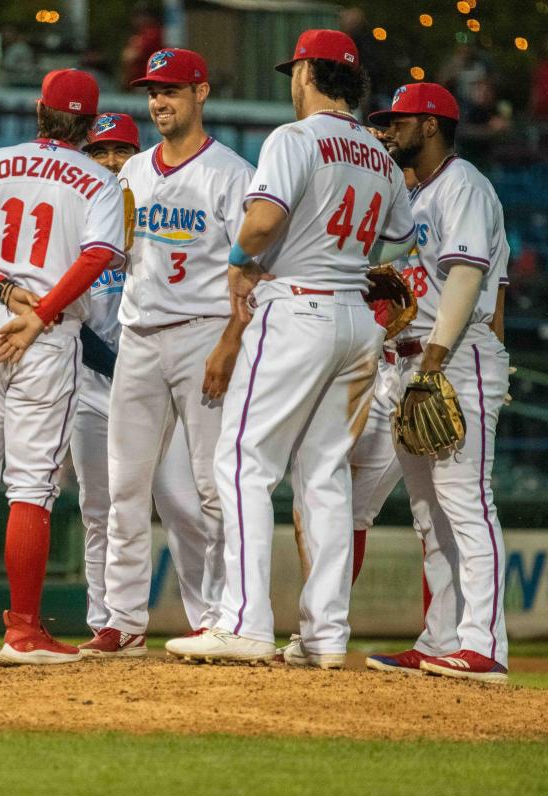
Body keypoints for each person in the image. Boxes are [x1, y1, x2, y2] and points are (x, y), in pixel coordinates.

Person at [166, 29, 414, 665]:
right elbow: (397, 235)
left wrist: (241, 256)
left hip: (296, 310)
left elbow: (264, 220)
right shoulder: (381, 156)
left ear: (308, 72)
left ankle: (245, 621)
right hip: (356, 320)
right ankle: (326, 635)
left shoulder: (294, 138)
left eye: (295, 70)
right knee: (325, 475)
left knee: (245, 461)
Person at [0, 69, 125, 666]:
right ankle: (23, 632)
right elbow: (96, 257)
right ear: (90, 126)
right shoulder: (99, 179)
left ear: (39, 112)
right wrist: (38, 310)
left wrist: (5, 290)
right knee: (32, 486)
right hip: (46, 333)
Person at [79, 49, 254, 657]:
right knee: (126, 486)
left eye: (172, 90)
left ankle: (223, 616)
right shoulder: (131, 175)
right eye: (153, 91)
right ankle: (123, 621)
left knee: (212, 487)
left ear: (201, 93)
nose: (159, 101)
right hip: (140, 338)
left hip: (204, 332)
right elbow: (120, 254)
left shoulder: (231, 172)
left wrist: (231, 342)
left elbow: (252, 269)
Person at [364, 82, 511, 683]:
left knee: (467, 503)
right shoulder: (412, 194)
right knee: (429, 512)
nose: (389, 129)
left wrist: (434, 357)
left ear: (430, 124)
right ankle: (442, 637)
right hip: (410, 359)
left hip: (451, 356)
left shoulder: (464, 186)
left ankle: (485, 645)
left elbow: (469, 279)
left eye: (398, 121)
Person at [71, 112, 210, 647]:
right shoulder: (73, 219)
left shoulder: (147, 211)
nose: (109, 160)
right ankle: (107, 620)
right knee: (100, 509)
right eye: (98, 150)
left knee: (182, 501)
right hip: (94, 383)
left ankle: (207, 618)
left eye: (119, 151)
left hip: (155, 375)